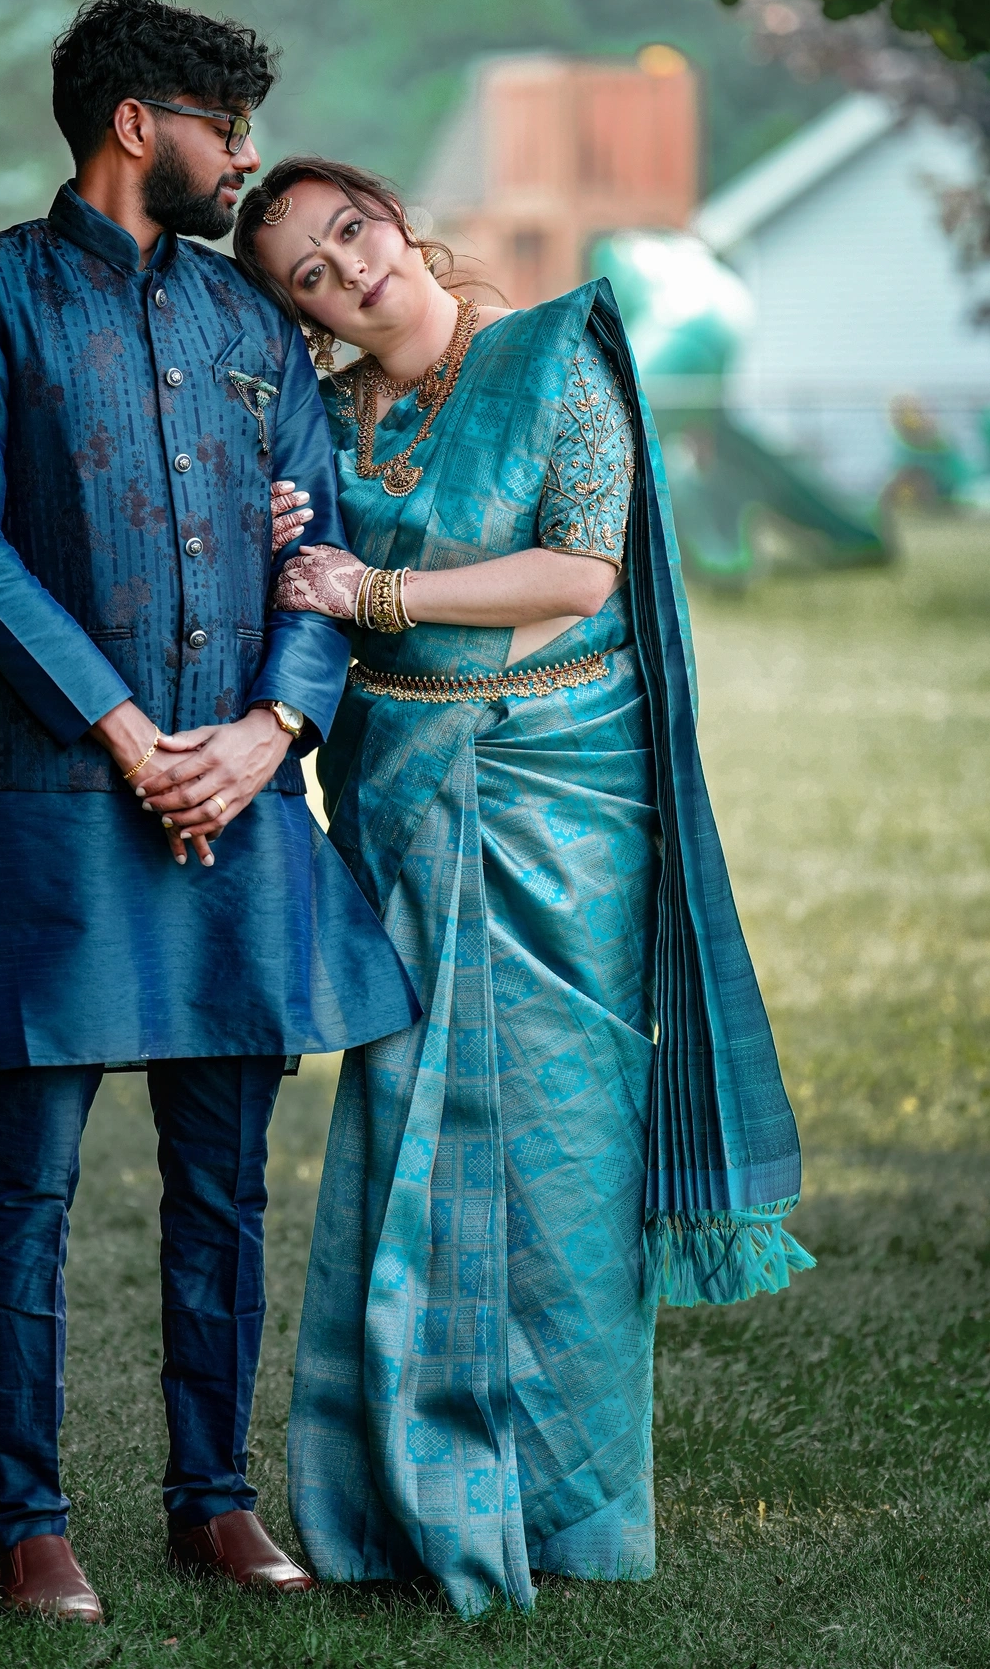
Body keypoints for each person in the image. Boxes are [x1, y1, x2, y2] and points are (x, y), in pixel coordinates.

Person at [234, 157, 813, 1617]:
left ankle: (569, 1510)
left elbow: (579, 574)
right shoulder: (328, 428)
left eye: (351, 233)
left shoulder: (555, 358)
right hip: (402, 810)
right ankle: (386, 1500)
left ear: (395, 220)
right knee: (404, 1129)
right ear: (303, 309)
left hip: (567, 802)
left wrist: (377, 596)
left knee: (564, 1145)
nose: (349, 272)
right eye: (310, 273)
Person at [0, 1, 418, 1623]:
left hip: (247, 805)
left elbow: (316, 555)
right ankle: (29, 1522)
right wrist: (128, 731)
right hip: (58, 794)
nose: (247, 154)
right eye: (226, 123)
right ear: (137, 123)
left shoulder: (251, 326)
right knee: (29, 1184)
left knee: (225, 1179)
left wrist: (272, 732)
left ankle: (212, 1502)